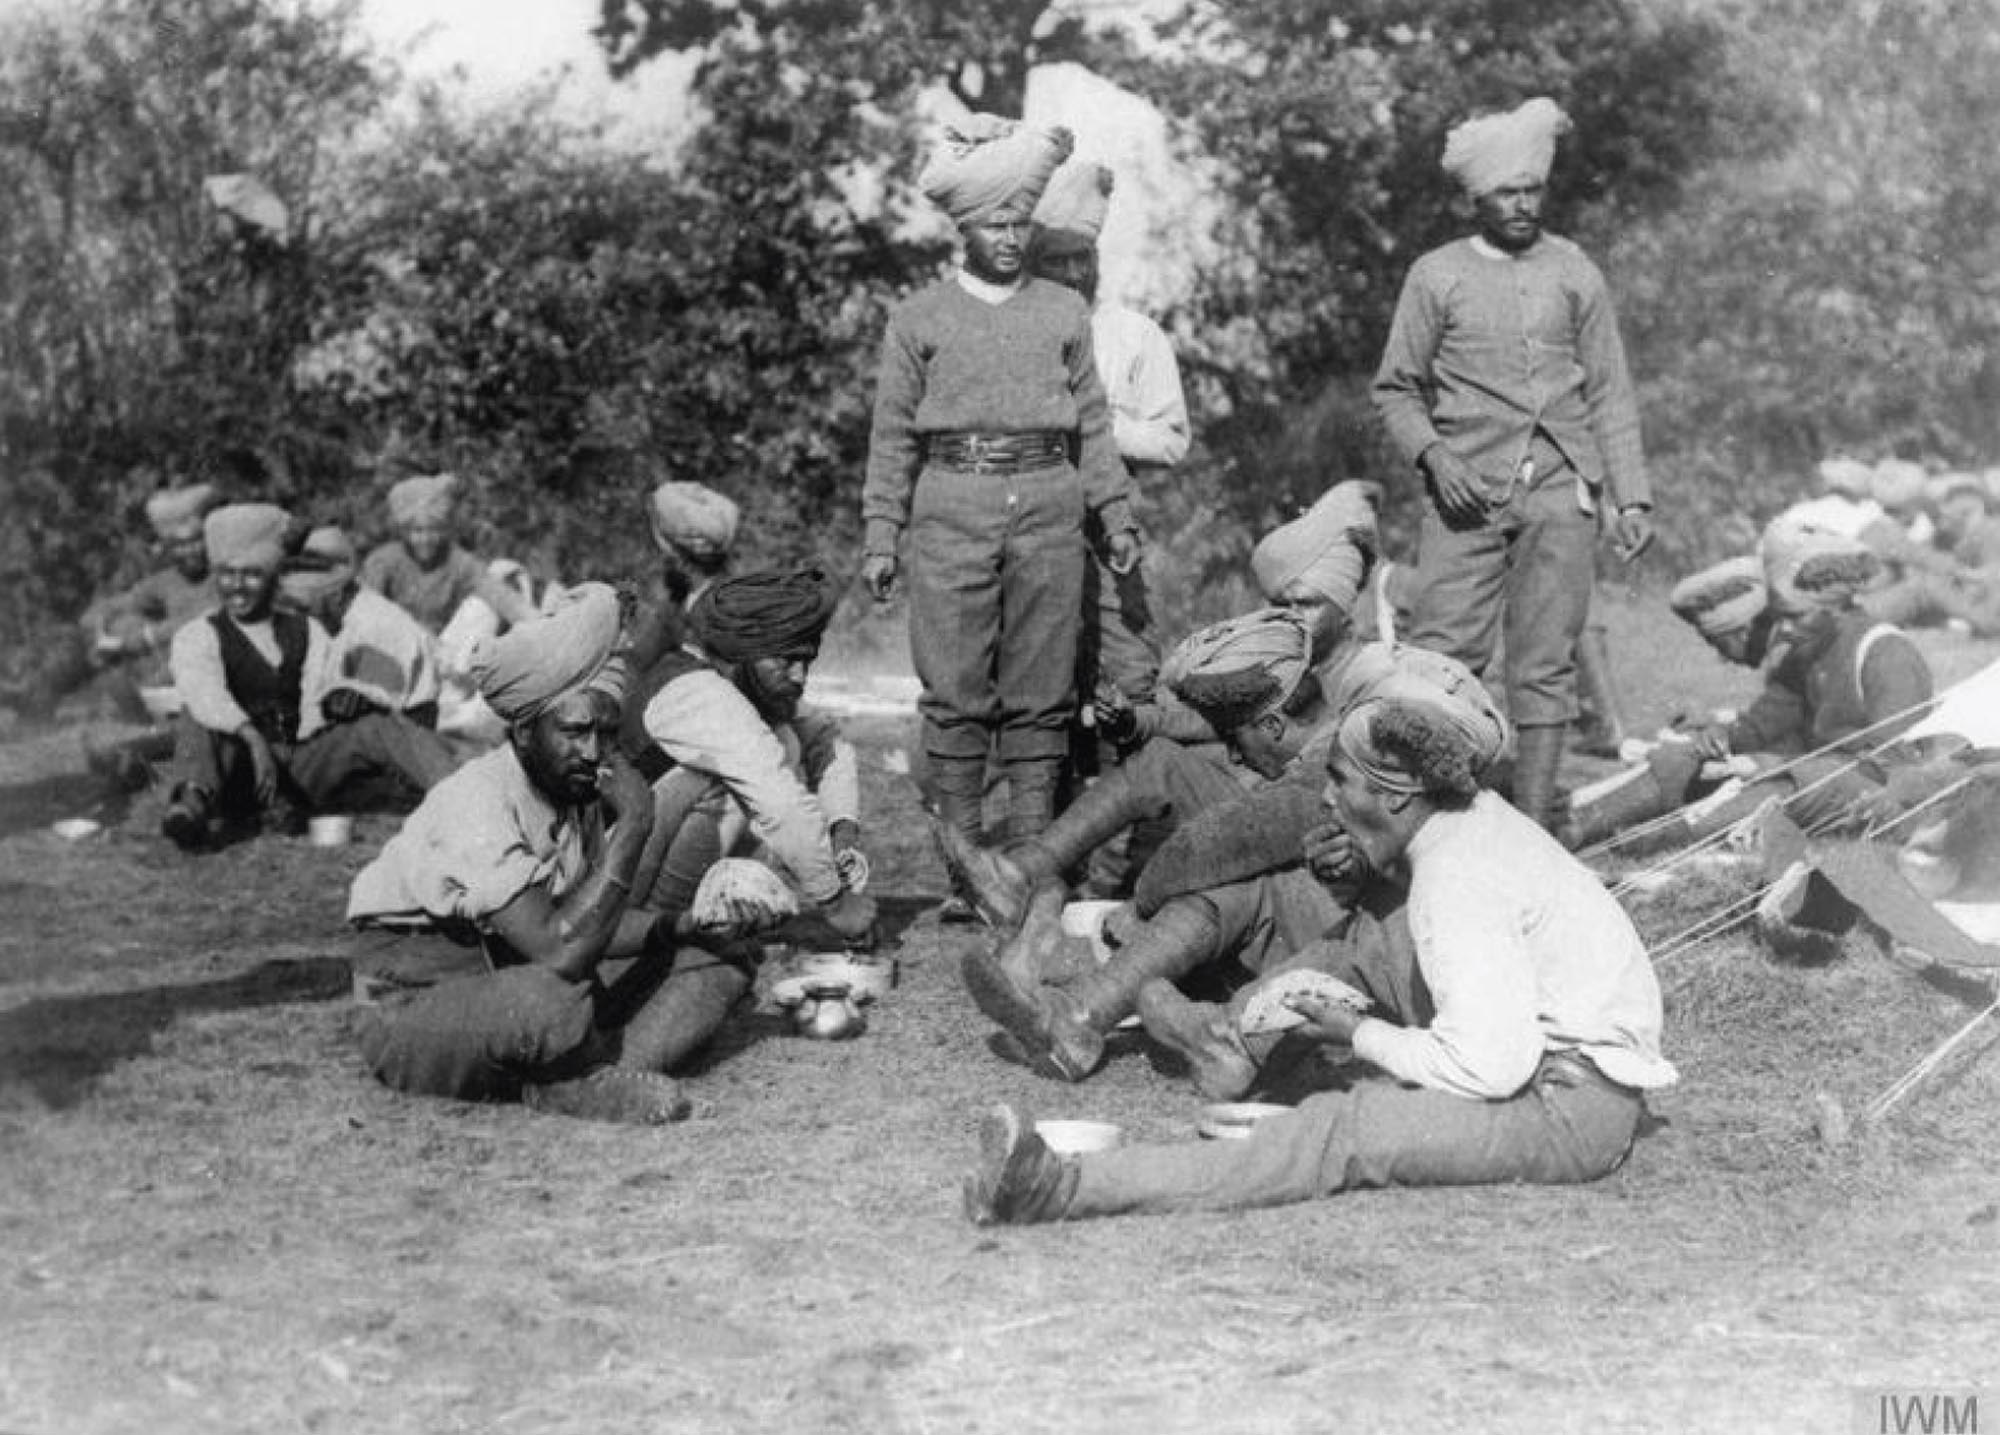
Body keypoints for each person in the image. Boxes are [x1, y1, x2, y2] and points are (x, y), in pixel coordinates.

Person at [963, 681, 1677, 1225]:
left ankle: (1060, 1186)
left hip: (1571, 1108)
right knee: (1360, 936)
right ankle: (1193, 1031)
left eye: (1339, 781)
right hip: (1563, 1070)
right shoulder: (1466, 827)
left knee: (1343, 1130)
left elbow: (1489, 1064)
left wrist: (1357, 1034)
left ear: (1396, 795)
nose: (1326, 800)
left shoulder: (1456, 880)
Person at [348, 583, 758, 1125]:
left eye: (606, 733)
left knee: (721, 961)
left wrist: (685, 926)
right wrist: (634, 824)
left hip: (516, 980)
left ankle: (572, 1076)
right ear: (522, 731)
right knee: (555, 999)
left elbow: (588, 921)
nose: (592, 751)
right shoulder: (476, 798)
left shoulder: (570, 788)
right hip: (414, 1007)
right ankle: (572, 1072)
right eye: (574, 732)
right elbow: (558, 953)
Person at [1371, 96, 1653, 830]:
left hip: (1563, 491)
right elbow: (1396, 391)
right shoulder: (1437, 276)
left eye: (1533, 190)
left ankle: (1533, 827)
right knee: (1442, 654)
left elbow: (1611, 389)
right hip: (1463, 497)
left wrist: (1633, 498)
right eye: (1505, 193)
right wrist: (1435, 457)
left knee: (1546, 663)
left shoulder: (1574, 272)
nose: (1523, 205)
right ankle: (1421, 819)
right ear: (1472, 200)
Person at [860, 113, 1136, 846]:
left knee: (1042, 688)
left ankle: (1031, 860)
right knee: (953, 689)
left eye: (1020, 224)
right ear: (966, 230)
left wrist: (1117, 513)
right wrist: (881, 535)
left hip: (1050, 500)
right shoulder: (920, 318)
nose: (1011, 239)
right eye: (995, 226)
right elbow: (890, 437)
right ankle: (964, 860)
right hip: (952, 502)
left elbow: (1095, 424)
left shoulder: (1062, 309)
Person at [1561, 519, 1940, 853]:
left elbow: (1901, 769)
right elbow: (1763, 725)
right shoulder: (1808, 652)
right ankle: (1578, 825)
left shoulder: (1885, 654)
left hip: (1881, 801)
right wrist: (1721, 738)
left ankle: (1655, 840)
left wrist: (1774, 764)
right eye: (1782, 618)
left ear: (1837, 607)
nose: (1785, 630)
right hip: (1814, 780)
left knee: (1791, 782)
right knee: (1695, 756)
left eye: (1796, 617)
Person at [159, 503, 459, 850]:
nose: (238, 587)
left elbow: (322, 688)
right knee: (199, 717)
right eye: (227, 575)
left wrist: (343, 696)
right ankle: (192, 807)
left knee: (376, 724)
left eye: (252, 575)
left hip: (292, 767)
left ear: (272, 578)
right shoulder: (200, 634)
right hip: (232, 772)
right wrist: (253, 739)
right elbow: (203, 691)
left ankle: (462, 793)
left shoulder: (305, 630)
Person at [624, 567, 877, 948]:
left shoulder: (750, 683)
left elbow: (826, 739)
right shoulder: (700, 693)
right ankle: (667, 927)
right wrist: (838, 905)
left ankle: (715, 918)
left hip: (640, 850)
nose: (799, 676)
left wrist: (842, 832)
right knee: (736, 785)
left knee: (788, 740)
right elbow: (781, 804)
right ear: (741, 657)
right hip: (616, 876)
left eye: (806, 662)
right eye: (786, 661)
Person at [1028, 157, 1189, 722]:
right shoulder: (1014, 329)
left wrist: (1096, 422)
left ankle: (1128, 791)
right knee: (1033, 665)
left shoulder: (1134, 333)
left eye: (1083, 259)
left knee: (1126, 666)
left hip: (1112, 519)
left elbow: (1171, 440)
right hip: (1027, 513)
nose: (1073, 274)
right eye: (1057, 261)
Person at [0, 481, 220, 725]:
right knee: (86, 637)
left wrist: (133, 639)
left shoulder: (224, 576)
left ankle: (47, 698)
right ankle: (38, 695)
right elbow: (120, 603)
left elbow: (204, 619)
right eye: (179, 545)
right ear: (168, 547)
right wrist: (99, 627)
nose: (190, 551)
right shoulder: (167, 580)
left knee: (126, 641)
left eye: (196, 540)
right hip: (159, 658)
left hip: (198, 667)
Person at [280, 525, 444, 728]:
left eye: (304, 608)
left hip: (405, 731)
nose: (297, 616)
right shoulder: (341, 618)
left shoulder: (375, 625)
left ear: (336, 596)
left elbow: (370, 702)